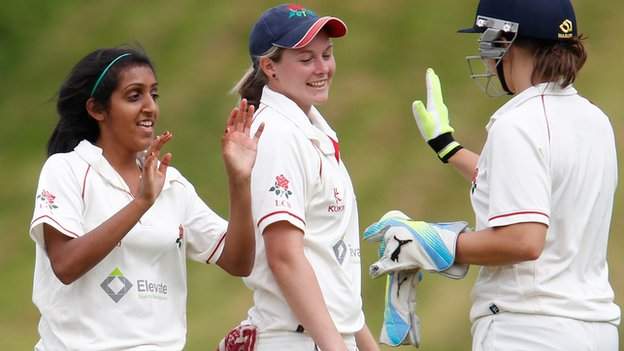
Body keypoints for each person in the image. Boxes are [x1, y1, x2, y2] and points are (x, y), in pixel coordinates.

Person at [404, 0, 620, 349]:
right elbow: (528, 186)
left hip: (529, 330)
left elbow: (523, 240)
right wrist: (449, 148)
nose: (487, 59)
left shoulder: (516, 123)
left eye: (486, 41)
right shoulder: (594, 119)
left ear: (504, 41)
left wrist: (434, 244)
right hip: (595, 330)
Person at [29, 46, 263, 350]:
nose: (150, 107)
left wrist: (239, 179)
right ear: (97, 110)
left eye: (154, 94)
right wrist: (140, 203)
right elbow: (65, 264)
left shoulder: (170, 182)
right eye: (134, 95)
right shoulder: (67, 169)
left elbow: (238, 261)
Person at [226, 4, 379, 351]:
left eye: (327, 54)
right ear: (270, 68)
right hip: (298, 340)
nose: (322, 68)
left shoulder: (312, 131)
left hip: (321, 339)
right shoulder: (278, 133)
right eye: (306, 59)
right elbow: (284, 256)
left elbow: (330, 273)